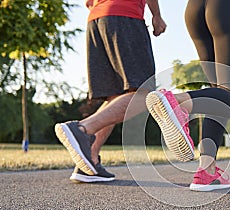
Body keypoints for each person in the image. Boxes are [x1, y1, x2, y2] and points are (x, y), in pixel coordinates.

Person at [55, 0, 166, 183]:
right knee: (143, 93)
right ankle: (82, 129)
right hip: (125, 15)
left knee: (115, 95)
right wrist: (157, 15)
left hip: (96, 20)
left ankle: (89, 160)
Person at [146, 0, 230, 191]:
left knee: (218, 93)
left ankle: (206, 172)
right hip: (227, 7)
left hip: (194, 10)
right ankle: (176, 103)